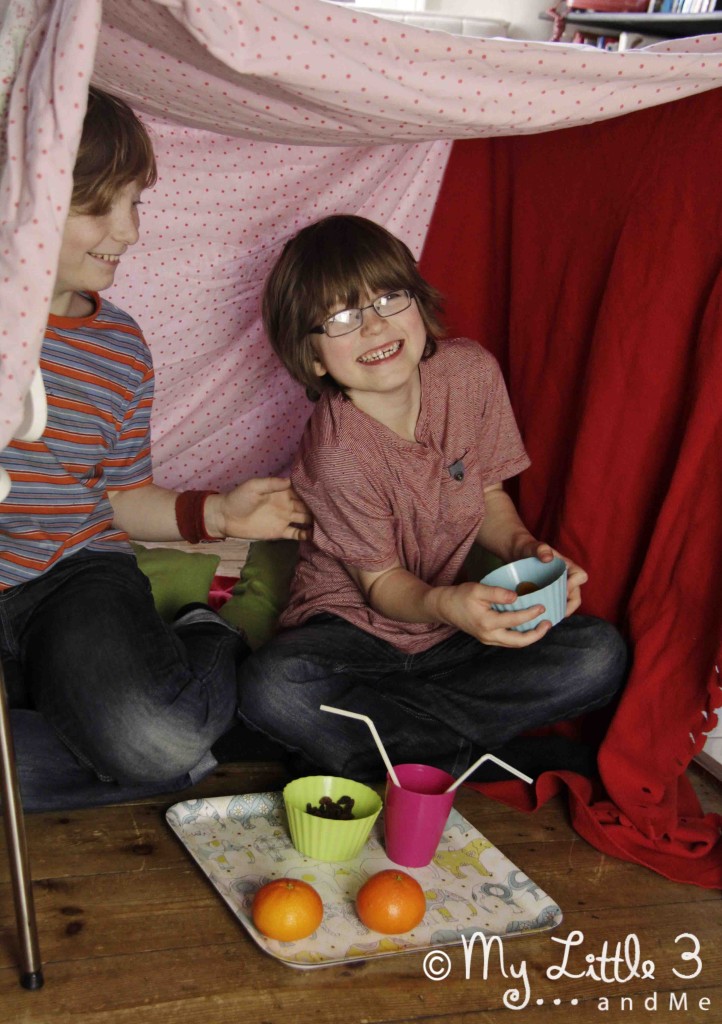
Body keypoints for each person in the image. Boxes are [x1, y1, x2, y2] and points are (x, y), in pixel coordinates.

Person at [0, 88, 310, 812]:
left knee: (155, 739)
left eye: (135, 202)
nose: (128, 232)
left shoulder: (120, 348)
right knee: (139, 746)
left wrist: (221, 516)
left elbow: (121, 498)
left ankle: (201, 644)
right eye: (99, 206)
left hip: (71, 581)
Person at [237, 214, 627, 783]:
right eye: (342, 317)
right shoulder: (336, 449)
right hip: (355, 632)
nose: (373, 327)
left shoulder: (471, 373)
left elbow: (488, 494)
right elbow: (382, 585)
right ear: (315, 357)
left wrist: (526, 549)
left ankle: (382, 752)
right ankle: (473, 758)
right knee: (273, 687)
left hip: (452, 632)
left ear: (418, 305)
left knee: (598, 655)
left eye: (389, 298)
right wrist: (450, 606)